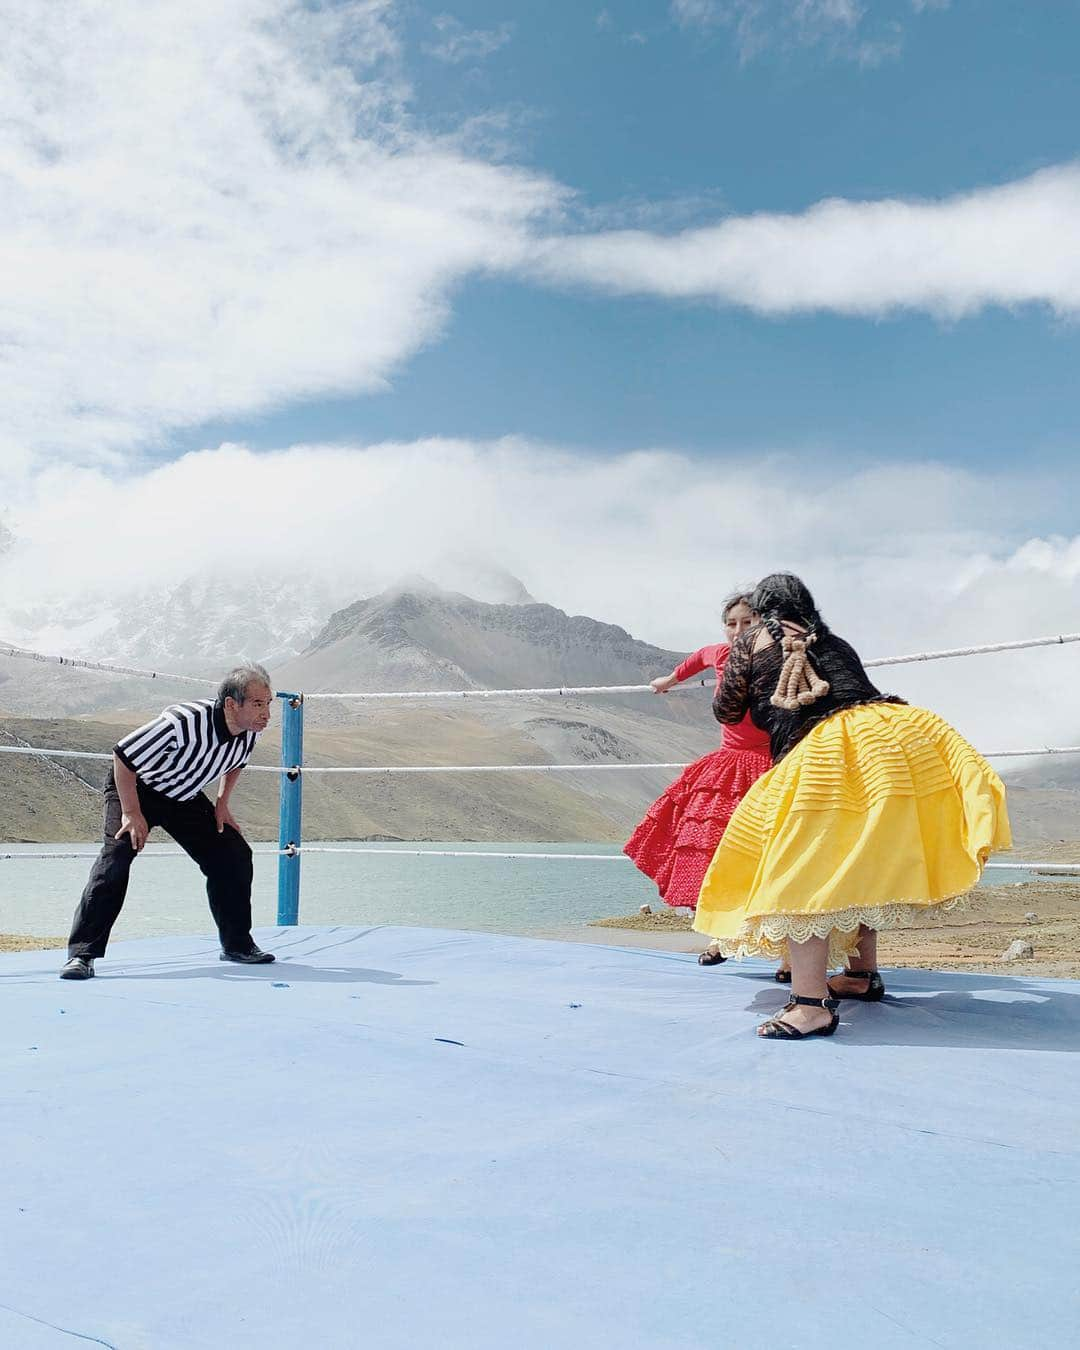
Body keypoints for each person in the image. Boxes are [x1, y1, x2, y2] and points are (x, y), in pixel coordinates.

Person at [694, 574, 1011, 1039]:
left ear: (761, 612)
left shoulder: (755, 640)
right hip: (899, 736)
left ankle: (810, 1005)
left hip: (828, 748)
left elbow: (726, 710)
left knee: (801, 869)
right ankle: (861, 976)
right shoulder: (832, 639)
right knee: (858, 857)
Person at [60, 664, 277, 979]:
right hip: (137, 789)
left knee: (234, 855)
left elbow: (236, 763)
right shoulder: (183, 723)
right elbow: (123, 756)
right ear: (232, 704)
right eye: (258, 704)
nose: (266, 713)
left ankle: (237, 945)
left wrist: (222, 803)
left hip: (184, 796)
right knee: (116, 859)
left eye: (269, 704)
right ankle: (82, 955)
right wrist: (132, 813)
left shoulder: (248, 732)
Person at [625, 592, 775, 968]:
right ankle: (719, 937)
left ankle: (786, 955)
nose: (739, 630)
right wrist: (668, 681)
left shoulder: (777, 658)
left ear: (764, 623)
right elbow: (693, 662)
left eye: (748, 622)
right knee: (713, 851)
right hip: (728, 767)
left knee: (770, 857)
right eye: (732, 623)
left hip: (769, 765)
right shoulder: (717, 654)